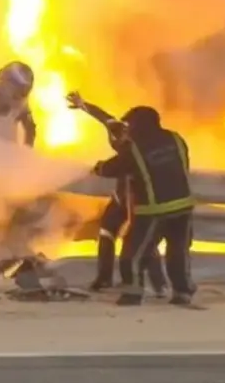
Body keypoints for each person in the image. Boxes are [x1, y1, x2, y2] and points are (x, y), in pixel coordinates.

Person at [87, 103, 197, 306]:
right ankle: (182, 293)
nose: (127, 129)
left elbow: (113, 168)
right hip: (183, 207)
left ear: (138, 126)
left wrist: (98, 168)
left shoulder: (135, 148)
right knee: (178, 253)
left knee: (132, 254)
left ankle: (133, 292)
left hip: (154, 210)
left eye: (130, 126)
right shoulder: (175, 139)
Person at [66, 92, 167, 297]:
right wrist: (83, 104)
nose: (123, 135)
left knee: (142, 242)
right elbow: (103, 116)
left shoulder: (142, 146)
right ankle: (104, 278)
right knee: (106, 231)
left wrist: (101, 169)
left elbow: (114, 167)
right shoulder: (119, 130)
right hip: (122, 197)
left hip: (140, 202)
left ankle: (160, 286)